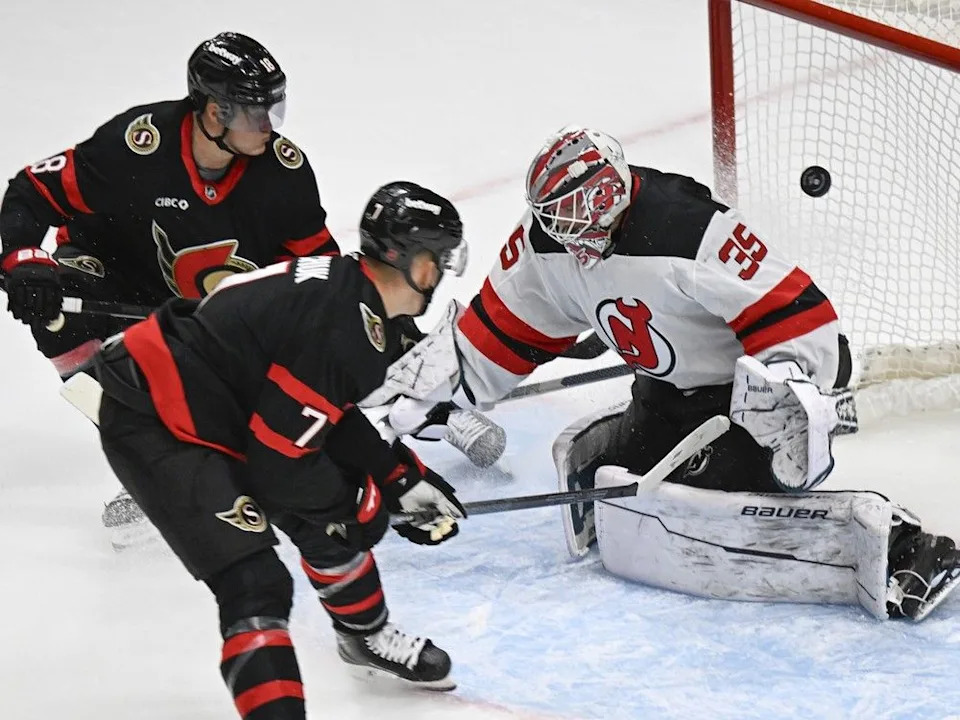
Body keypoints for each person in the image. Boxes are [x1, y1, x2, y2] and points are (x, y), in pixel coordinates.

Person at [376, 125, 960, 622]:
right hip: (668, 393)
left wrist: (791, 389)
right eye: (556, 220)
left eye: (579, 215)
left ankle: (902, 548)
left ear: (610, 193)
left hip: (746, 394)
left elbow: (796, 312)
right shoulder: (546, 245)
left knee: (691, 511)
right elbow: (489, 336)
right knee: (622, 478)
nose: (570, 234)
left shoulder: (686, 227)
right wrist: (392, 414)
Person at [80, 182, 466, 716]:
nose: (441, 273)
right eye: (440, 259)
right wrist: (362, 509)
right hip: (157, 419)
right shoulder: (347, 326)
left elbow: (321, 413)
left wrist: (396, 474)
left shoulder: (350, 295)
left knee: (324, 513)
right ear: (417, 263)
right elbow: (281, 467)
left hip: (216, 403)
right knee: (257, 583)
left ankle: (364, 637)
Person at [0, 31, 340, 546]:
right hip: (117, 284)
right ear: (211, 112)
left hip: (215, 314)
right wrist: (22, 259)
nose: (270, 126)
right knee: (53, 306)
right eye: (255, 112)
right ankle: (150, 458)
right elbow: (31, 191)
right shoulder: (137, 146)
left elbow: (321, 271)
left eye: (275, 109)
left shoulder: (281, 173)